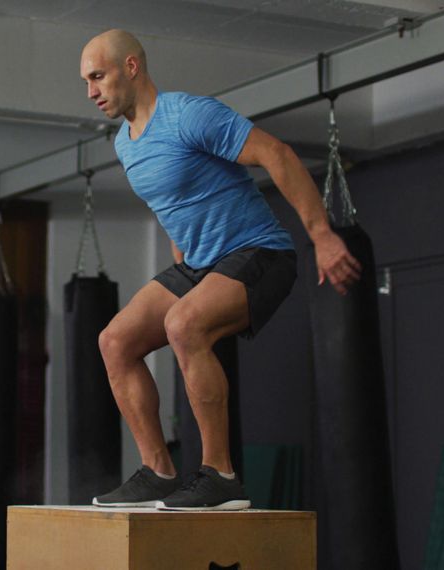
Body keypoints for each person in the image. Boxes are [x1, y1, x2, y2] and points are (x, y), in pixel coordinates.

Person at [79, 29, 361, 511]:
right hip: (200, 263)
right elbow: (174, 200)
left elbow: (278, 155)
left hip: (260, 253)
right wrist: (179, 259)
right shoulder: (125, 144)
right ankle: (159, 472)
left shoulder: (189, 114)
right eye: (86, 82)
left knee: (183, 324)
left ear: (131, 67)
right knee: (114, 341)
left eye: (98, 76)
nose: (91, 92)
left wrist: (322, 236)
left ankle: (221, 476)